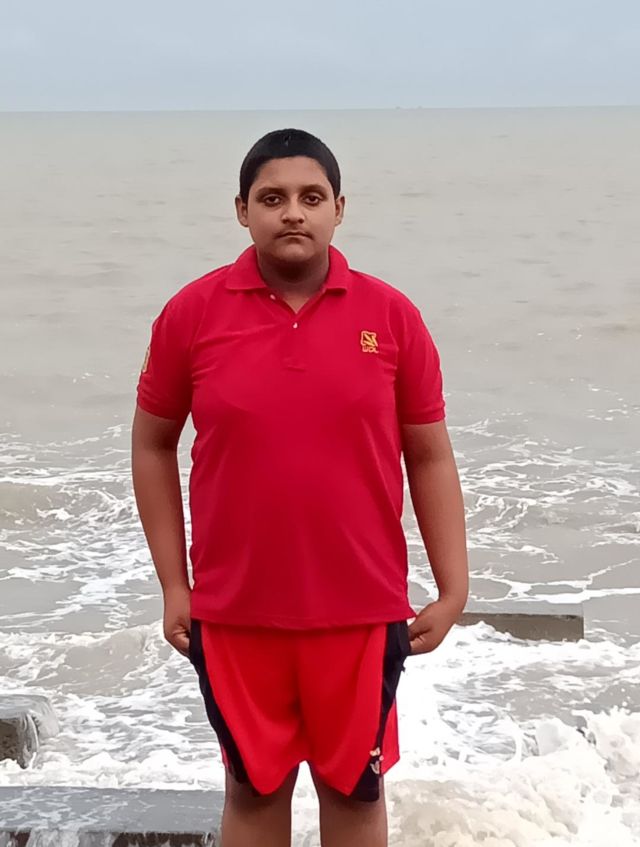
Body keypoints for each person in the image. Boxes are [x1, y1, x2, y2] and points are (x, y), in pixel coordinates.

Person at [131, 128, 468, 847]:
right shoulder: (192, 314)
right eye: (272, 198)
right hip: (235, 612)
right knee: (253, 794)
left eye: (311, 197)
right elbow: (152, 444)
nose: (292, 212)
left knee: (355, 794)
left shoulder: (391, 316)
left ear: (339, 209)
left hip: (361, 612)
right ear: (242, 210)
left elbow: (430, 457)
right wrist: (174, 584)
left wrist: (453, 587)